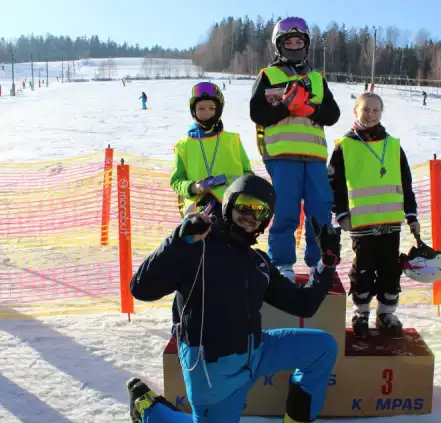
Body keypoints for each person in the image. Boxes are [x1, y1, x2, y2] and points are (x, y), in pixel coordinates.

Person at [127, 175, 343, 423]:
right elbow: (141, 289)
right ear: (229, 205)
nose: (251, 216)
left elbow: (303, 305)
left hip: (256, 352)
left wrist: (326, 264)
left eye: (261, 211)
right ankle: (149, 410)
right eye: (245, 206)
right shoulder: (198, 247)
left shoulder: (259, 263)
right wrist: (178, 240)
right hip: (215, 374)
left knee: (322, 347)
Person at [249, 16, 340, 283]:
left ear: (307, 45)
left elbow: (333, 114)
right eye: (288, 41)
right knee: (285, 211)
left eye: (299, 41)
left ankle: (319, 262)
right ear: (279, 45)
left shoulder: (316, 79)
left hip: (314, 159)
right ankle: (282, 264)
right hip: (282, 158)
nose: (294, 45)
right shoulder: (269, 75)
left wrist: (312, 109)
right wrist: (285, 107)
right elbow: (258, 113)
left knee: (320, 212)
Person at [329, 92, 420, 339]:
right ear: (355, 112)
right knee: (364, 268)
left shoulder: (393, 145)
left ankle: (386, 313)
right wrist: (341, 214)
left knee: (390, 268)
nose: (370, 115)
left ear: (381, 113)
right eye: (365, 110)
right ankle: (360, 312)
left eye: (375, 110)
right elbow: (334, 184)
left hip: (391, 221)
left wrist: (412, 216)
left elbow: (406, 182)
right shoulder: (344, 145)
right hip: (362, 221)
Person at [170, 82, 253, 219]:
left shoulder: (233, 140)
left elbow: (248, 174)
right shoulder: (183, 146)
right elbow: (176, 182)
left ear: (218, 110)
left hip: (232, 209)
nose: (206, 113)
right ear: (193, 111)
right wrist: (192, 187)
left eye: (211, 108)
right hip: (198, 212)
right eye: (201, 108)